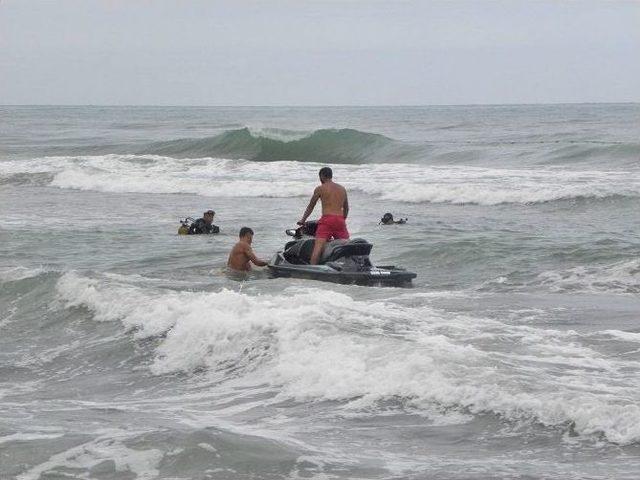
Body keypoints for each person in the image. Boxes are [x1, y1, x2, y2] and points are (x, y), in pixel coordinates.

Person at [298, 166, 349, 265]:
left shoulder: (320, 188)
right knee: (346, 246)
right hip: (340, 220)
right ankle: (351, 266)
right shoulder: (342, 189)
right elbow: (346, 208)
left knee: (318, 247)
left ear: (321, 176)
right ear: (331, 176)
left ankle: (313, 269)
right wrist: (342, 220)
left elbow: (311, 206)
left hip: (327, 220)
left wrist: (303, 220)